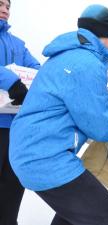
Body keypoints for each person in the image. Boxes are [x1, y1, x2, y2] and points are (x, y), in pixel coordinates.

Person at [9, 4, 108, 225]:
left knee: (75, 216)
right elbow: (99, 127)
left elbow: (84, 99)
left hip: (31, 151)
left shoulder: (68, 56)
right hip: (46, 158)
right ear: (102, 35)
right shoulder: (88, 65)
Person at [0, 0, 40, 224]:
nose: (5, 10)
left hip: (15, 129)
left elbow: (36, 69)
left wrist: (37, 78)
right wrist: (11, 80)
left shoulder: (18, 44)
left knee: (12, 189)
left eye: (8, 6)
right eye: (0, 4)